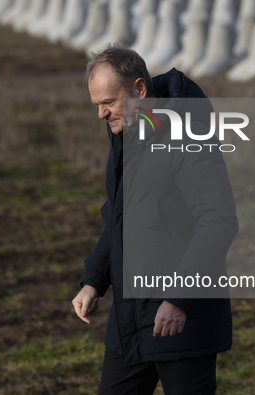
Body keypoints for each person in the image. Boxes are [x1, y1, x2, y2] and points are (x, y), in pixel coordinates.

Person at [72, 45, 238, 394]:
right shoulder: (126, 136)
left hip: (181, 320)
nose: (101, 115)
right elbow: (120, 216)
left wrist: (178, 299)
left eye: (109, 103)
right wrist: (94, 280)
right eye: (97, 105)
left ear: (140, 90)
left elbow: (217, 221)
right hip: (129, 321)